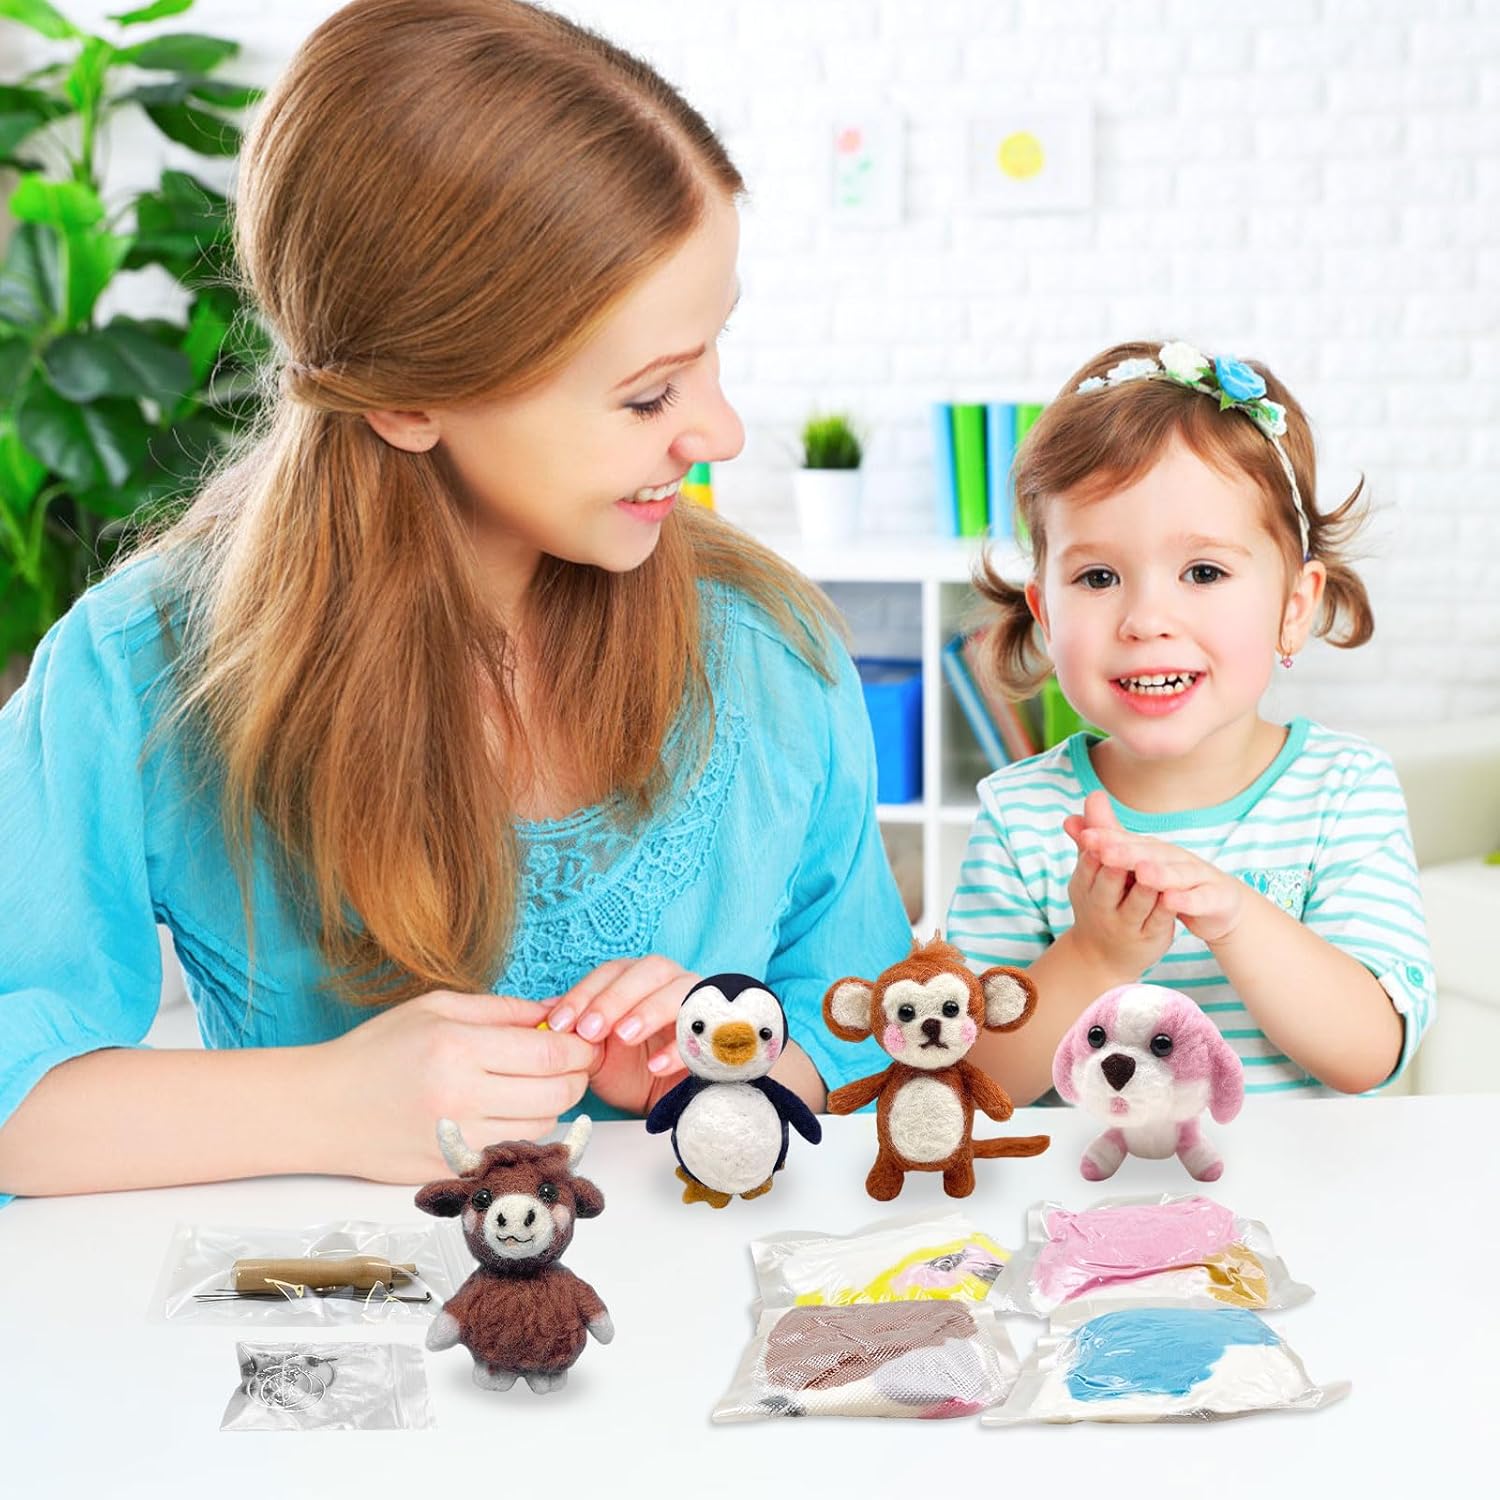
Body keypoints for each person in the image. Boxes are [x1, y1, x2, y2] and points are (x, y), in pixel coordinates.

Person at [0, 0, 910, 1203]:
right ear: (407, 401)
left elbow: (871, 1052)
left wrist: (727, 1068)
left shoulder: (770, 656)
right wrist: (329, 1103)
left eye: (712, 350)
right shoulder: (141, 674)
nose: (721, 432)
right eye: (648, 395)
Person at [946, 338, 1435, 1105]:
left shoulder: (1344, 790)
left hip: (1298, 1184)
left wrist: (1236, 918)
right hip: (1087, 1182)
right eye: (1098, 576)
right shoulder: (1023, 814)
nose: (1146, 619)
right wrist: (1096, 955)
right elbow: (973, 1081)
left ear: (1293, 607)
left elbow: (1371, 1053)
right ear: (1045, 613)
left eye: (1203, 572)